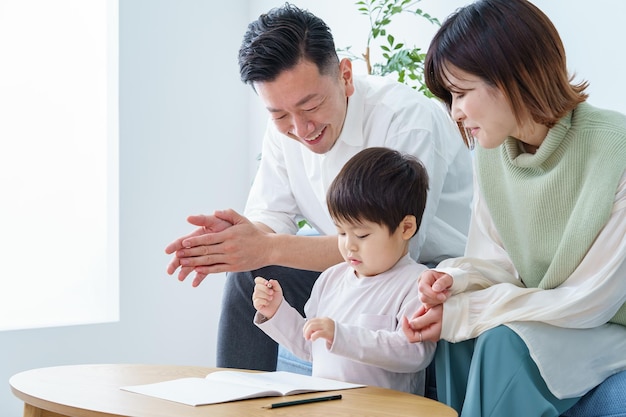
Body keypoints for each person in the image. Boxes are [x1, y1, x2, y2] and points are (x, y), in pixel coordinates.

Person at [165, 2, 473, 371]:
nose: (301, 128)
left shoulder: (404, 121)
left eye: (310, 106)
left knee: (270, 259)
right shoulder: (287, 130)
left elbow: (395, 246)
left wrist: (266, 247)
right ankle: (235, 401)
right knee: (248, 275)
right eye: (279, 115)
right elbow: (271, 219)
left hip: (421, 270)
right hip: (353, 267)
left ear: (345, 76)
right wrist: (238, 243)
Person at [401, 0, 626, 416]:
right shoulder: (492, 155)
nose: (455, 112)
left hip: (607, 326)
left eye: (462, 92)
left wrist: (471, 311)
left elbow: (594, 299)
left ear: (512, 76)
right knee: (458, 335)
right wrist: (455, 281)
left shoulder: (616, 148)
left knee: (500, 340)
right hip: (551, 316)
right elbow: (495, 261)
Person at [252, 147, 436, 395]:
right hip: (327, 406)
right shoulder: (331, 278)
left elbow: (414, 354)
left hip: (384, 412)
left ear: (406, 228)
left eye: (361, 234)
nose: (348, 244)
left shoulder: (417, 284)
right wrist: (276, 311)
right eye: (340, 232)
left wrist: (341, 336)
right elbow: (311, 349)